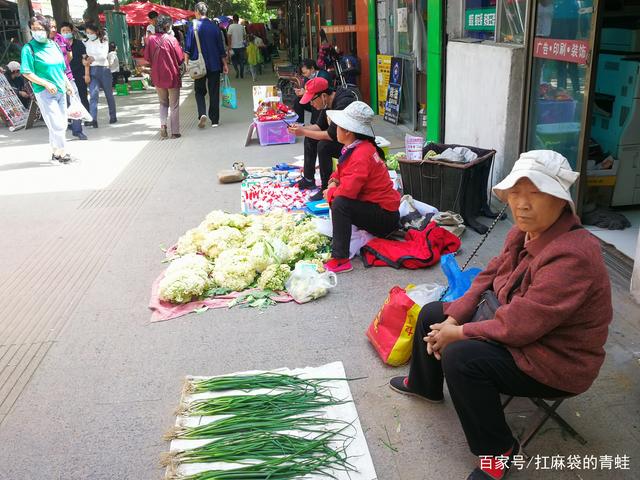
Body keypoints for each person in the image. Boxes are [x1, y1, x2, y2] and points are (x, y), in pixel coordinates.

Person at [389, 150, 612, 480]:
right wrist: (453, 320)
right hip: (513, 325)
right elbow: (486, 278)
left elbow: (522, 324)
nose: (522, 204)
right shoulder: (523, 232)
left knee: (462, 356)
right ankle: (425, 385)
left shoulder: (574, 255)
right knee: (434, 312)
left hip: (554, 358)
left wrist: (460, 334)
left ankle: (499, 453)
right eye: (515, 194)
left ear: (562, 201)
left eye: (535, 194)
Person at [322, 102, 400, 273]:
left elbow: (348, 192)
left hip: (385, 218)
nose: (335, 130)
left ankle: (341, 259)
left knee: (340, 204)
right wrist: (334, 181)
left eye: (338, 126)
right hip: (381, 209)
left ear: (348, 131)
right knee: (339, 199)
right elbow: (341, 172)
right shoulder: (356, 147)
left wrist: (330, 192)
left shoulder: (361, 153)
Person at [288, 76, 359, 202]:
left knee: (323, 145)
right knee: (310, 138)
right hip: (342, 141)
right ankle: (308, 179)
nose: (311, 104)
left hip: (355, 147)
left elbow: (330, 135)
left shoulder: (343, 104)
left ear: (323, 96)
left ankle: (326, 188)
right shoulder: (327, 102)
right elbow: (320, 126)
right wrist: (300, 130)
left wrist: (303, 131)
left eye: (312, 100)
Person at [20, 15, 75, 163]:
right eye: (34, 29)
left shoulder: (54, 45)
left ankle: (55, 152)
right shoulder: (29, 48)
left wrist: (67, 84)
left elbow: (61, 68)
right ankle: (64, 153)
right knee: (57, 123)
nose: (37, 31)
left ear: (46, 28)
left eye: (40, 28)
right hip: (44, 92)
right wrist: (45, 83)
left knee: (61, 122)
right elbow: (26, 72)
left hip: (60, 90)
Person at [185, 2, 229, 129]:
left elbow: (187, 48)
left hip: (198, 65)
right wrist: (225, 64)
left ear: (196, 12)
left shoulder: (192, 26)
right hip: (215, 64)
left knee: (199, 91)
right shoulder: (215, 27)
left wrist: (186, 64)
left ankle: (202, 113)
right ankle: (214, 120)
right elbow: (221, 49)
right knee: (214, 92)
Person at [144, 15, 184, 139]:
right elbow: (180, 58)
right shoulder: (172, 39)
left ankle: (163, 125)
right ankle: (175, 132)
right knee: (174, 105)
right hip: (172, 76)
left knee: (162, 103)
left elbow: (147, 58)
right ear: (167, 26)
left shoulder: (150, 40)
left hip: (158, 76)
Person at [50, 18, 87, 141]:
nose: (53, 29)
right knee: (57, 105)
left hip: (67, 76)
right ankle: (59, 134)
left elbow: (69, 55)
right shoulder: (41, 43)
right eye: (51, 27)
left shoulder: (62, 39)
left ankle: (78, 130)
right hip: (51, 79)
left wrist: (64, 66)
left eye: (54, 27)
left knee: (75, 100)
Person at [84, 23, 117, 127]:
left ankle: (113, 116)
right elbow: (86, 56)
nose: (89, 35)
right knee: (93, 95)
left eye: (91, 32)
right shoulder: (86, 42)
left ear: (96, 32)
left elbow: (103, 56)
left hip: (104, 69)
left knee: (108, 94)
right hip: (92, 69)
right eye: (87, 33)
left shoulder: (103, 41)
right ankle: (93, 119)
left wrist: (93, 57)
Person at [60, 22, 90, 114]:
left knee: (82, 96)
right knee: (67, 98)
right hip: (65, 76)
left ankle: (87, 116)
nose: (66, 33)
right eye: (63, 31)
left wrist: (86, 74)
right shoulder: (58, 45)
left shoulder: (79, 44)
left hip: (79, 74)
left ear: (72, 32)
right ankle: (71, 120)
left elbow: (85, 59)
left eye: (68, 31)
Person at [293, 59, 332, 124]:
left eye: (305, 72)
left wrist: (305, 92)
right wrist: (301, 91)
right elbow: (306, 89)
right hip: (313, 100)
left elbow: (321, 93)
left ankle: (315, 125)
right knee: (298, 101)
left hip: (323, 101)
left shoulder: (323, 75)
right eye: (303, 73)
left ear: (312, 68)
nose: (305, 75)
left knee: (315, 100)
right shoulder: (308, 77)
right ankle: (299, 123)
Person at [227, 14, 246, 79]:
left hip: (233, 47)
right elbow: (244, 36)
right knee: (241, 61)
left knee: (234, 60)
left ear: (233, 19)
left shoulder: (230, 26)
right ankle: (241, 73)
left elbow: (229, 37)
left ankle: (237, 71)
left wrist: (229, 46)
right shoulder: (241, 27)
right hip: (241, 46)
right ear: (238, 19)